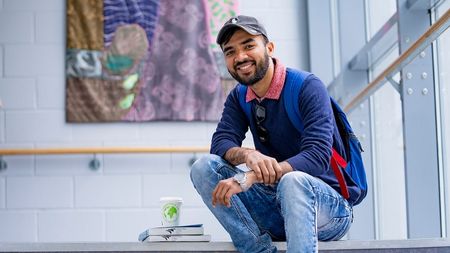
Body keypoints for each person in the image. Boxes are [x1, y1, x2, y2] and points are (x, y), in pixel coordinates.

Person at [190, 15, 360, 252]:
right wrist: (248, 154)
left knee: (293, 181)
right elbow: (221, 143)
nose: (240, 57)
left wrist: (249, 176)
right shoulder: (239, 96)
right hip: (274, 206)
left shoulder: (307, 86)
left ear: (269, 48)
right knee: (203, 167)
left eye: (249, 45)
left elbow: (317, 156)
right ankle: (257, 249)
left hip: (328, 210)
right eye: (230, 52)